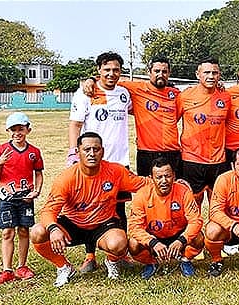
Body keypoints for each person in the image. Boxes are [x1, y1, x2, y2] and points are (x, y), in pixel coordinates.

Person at [30, 132, 150, 287]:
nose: (92, 153)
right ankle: (64, 267)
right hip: (73, 224)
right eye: (87, 149)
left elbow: (143, 184)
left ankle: (112, 262)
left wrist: (173, 183)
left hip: (103, 224)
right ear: (78, 152)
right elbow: (48, 210)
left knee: (119, 243)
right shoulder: (66, 178)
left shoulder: (115, 171)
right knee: (37, 232)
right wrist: (53, 229)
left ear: (103, 151)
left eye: (96, 149)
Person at [68, 52, 134, 272]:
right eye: (107, 69)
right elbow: (75, 125)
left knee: (119, 209)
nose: (111, 74)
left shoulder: (125, 93)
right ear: (98, 71)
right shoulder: (86, 93)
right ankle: (89, 256)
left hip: (119, 163)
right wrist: (73, 153)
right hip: (92, 162)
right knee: (92, 208)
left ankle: (120, 254)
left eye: (116, 70)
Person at [81, 56, 183, 178]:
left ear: (169, 73)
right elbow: (110, 78)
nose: (160, 74)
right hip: (147, 152)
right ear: (149, 72)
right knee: (147, 191)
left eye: (164, 71)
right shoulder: (135, 88)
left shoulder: (176, 94)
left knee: (174, 191)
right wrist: (91, 79)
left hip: (173, 152)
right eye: (156, 71)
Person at [0, 112, 44, 285]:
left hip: (25, 199)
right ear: (8, 131)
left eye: (21, 129)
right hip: (7, 198)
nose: (17, 133)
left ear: (28, 130)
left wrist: (36, 191)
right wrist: (0, 162)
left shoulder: (34, 152)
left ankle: (22, 266)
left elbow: (38, 173)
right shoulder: (1, 150)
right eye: (13, 129)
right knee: (7, 232)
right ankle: (7, 270)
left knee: (23, 231)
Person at [127, 157, 204, 279]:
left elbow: (196, 221)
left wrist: (182, 240)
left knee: (199, 238)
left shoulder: (184, 192)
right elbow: (134, 227)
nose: (164, 181)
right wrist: (153, 242)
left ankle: (185, 260)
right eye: (159, 177)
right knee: (133, 244)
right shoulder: (142, 195)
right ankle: (151, 262)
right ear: (151, 178)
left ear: (174, 176)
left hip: (179, 235)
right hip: (154, 236)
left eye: (167, 176)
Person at [177, 57, 232, 207]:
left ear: (219, 75)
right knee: (194, 203)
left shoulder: (226, 97)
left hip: (219, 161)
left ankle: (215, 231)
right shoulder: (185, 96)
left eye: (214, 73)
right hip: (192, 160)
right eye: (206, 72)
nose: (210, 76)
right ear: (197, 74)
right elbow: (170, 121)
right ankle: (195, 231)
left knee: (219, 204)